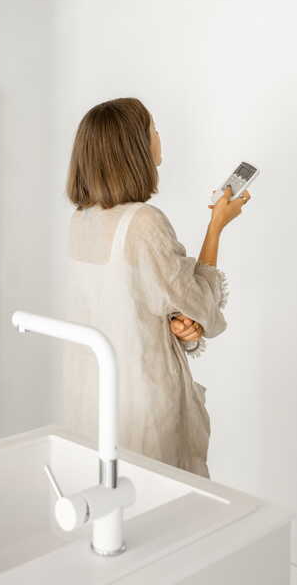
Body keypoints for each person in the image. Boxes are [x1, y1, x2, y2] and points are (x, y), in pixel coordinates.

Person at [63, 97, 250, 477]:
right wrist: (216, 227)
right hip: (145, 397)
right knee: (160, 493)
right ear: (135, 146)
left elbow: (132, 303)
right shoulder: (144, 221)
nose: (159, 137)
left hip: (95, 395)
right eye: (153, 129)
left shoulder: (81, 220)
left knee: (107, 494)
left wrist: (178, 324)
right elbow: (201, 304)